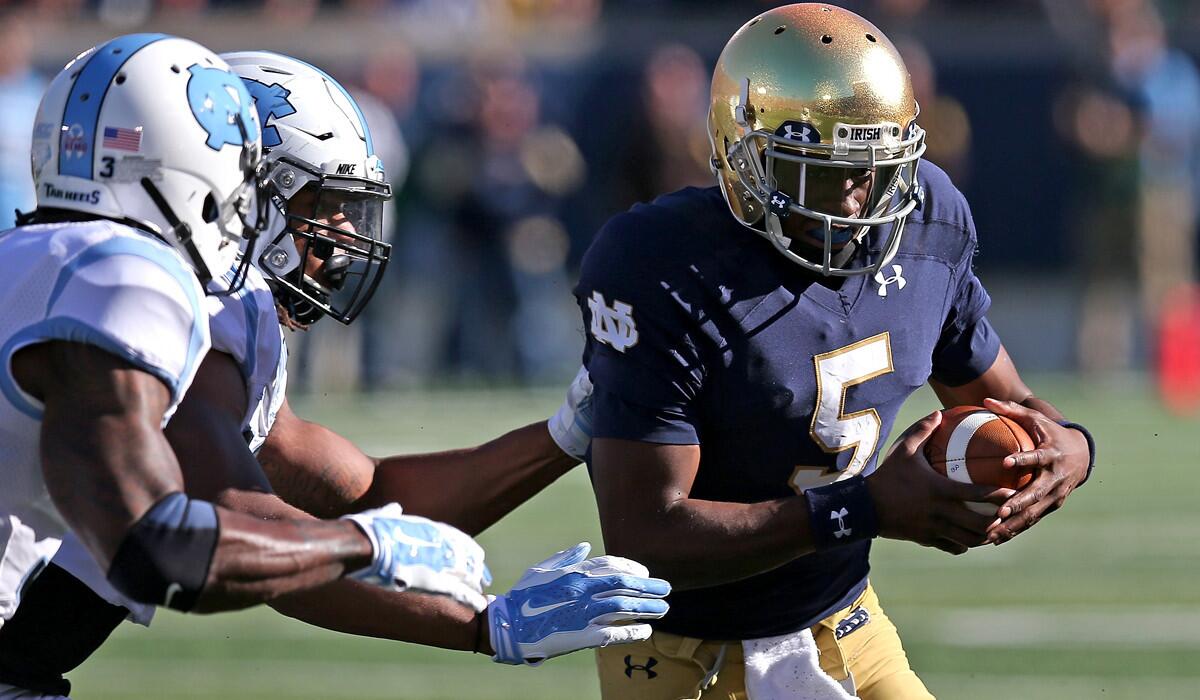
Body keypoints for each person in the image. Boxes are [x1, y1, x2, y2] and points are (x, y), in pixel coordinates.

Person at [0, 42, 666, 698]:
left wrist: (568, 431)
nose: (339, 240)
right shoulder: (137, 284)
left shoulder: (56, 261)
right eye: (319, 205)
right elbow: (216, 538)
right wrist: (458, 608)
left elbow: (361, 499)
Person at [576, 5, 1096, 699]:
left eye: (874, 171)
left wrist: (1069, 447)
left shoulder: (926, 222)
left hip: (845, 624)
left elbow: (1007, 401)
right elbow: (646, 532)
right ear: (745, 154)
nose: (856, 203)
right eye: (822, 173)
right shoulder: (661, 263)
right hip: (680, 651)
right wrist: (862, 509)